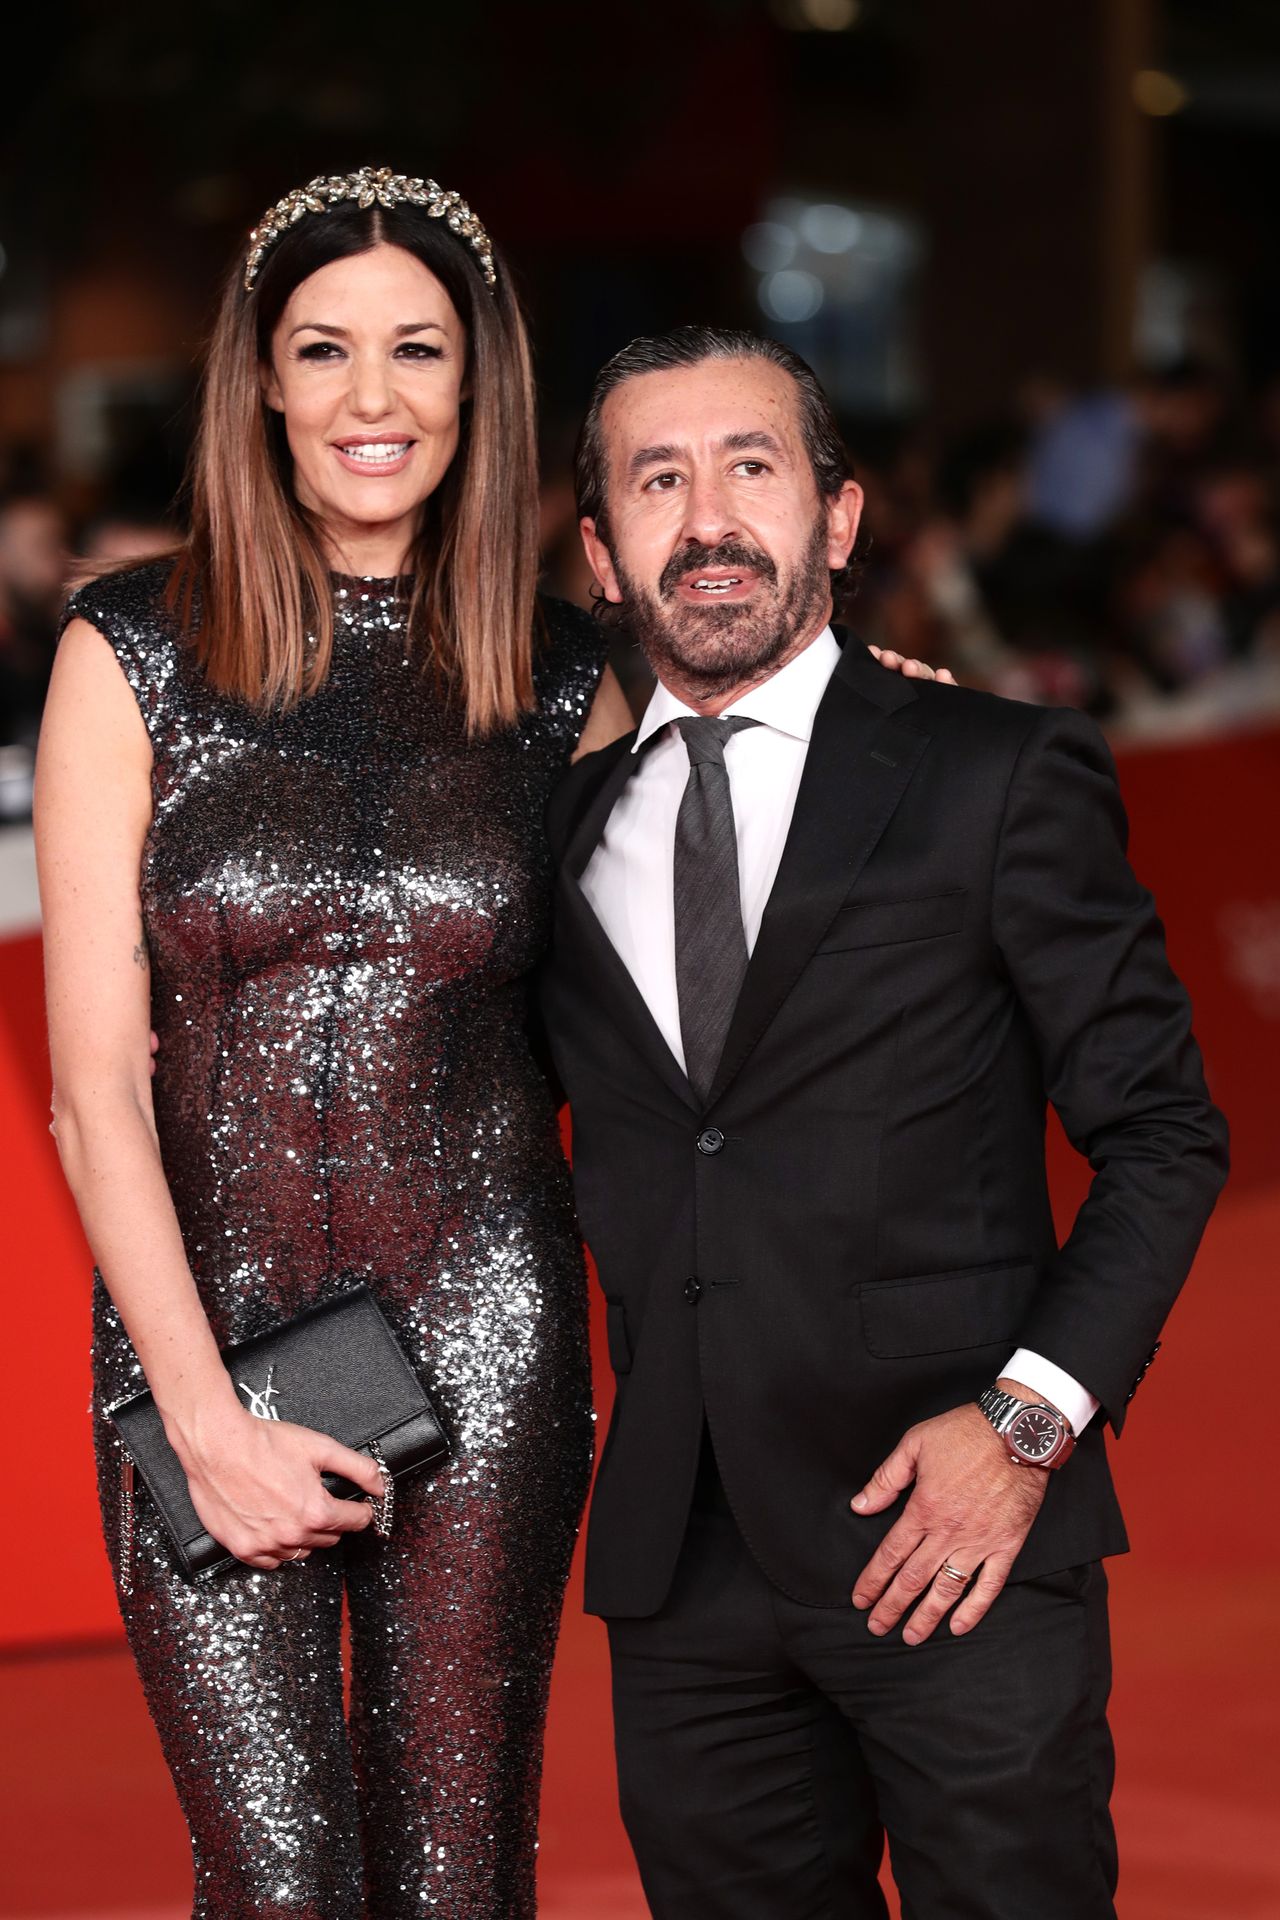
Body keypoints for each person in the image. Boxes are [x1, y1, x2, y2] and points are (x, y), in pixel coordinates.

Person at [35, 175, 935, 1917]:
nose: (372, 397)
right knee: (278, 1880)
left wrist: (873, 724)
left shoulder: (566, 677)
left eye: (419, 350)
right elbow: (93, 1093)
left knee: (458, 1878)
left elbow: (718, 940)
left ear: (479, 383)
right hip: (195, 1340)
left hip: (489, 1340)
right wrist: (204, 1421)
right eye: (324, 350)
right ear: (263, 382)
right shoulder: (131, 649)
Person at [538, 325, 1229, 1919]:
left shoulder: (996, 770)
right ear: (602, 552)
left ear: (839, 518)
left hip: (958, 1527)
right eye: (657, 480)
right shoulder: (564, 831)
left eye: (753, 466)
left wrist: (1026, 1426)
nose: (709, 518)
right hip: (683, 1570)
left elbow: (1165, 1132)